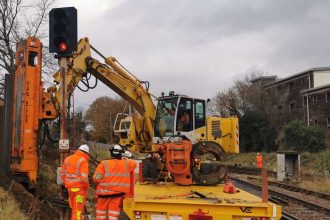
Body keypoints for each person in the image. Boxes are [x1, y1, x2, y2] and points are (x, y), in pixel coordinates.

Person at [93, 145, 137, 220]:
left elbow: (96, 179)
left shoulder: (103, 164)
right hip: (117, 194)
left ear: (111, 153)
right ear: (120, 154)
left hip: (103, 194)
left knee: (100, 214)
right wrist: (125, 158)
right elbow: (134, 163)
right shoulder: (127, 164)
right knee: (113, 214)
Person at [61, 144, 90, 220]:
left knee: (74, 209)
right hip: (79, 191)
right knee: (78, 212)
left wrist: (68, 183)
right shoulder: (83, 161)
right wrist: (86, 188)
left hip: (70, 190)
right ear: (86, 153)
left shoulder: (67, 159)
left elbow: (62, 174)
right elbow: (84, 179)